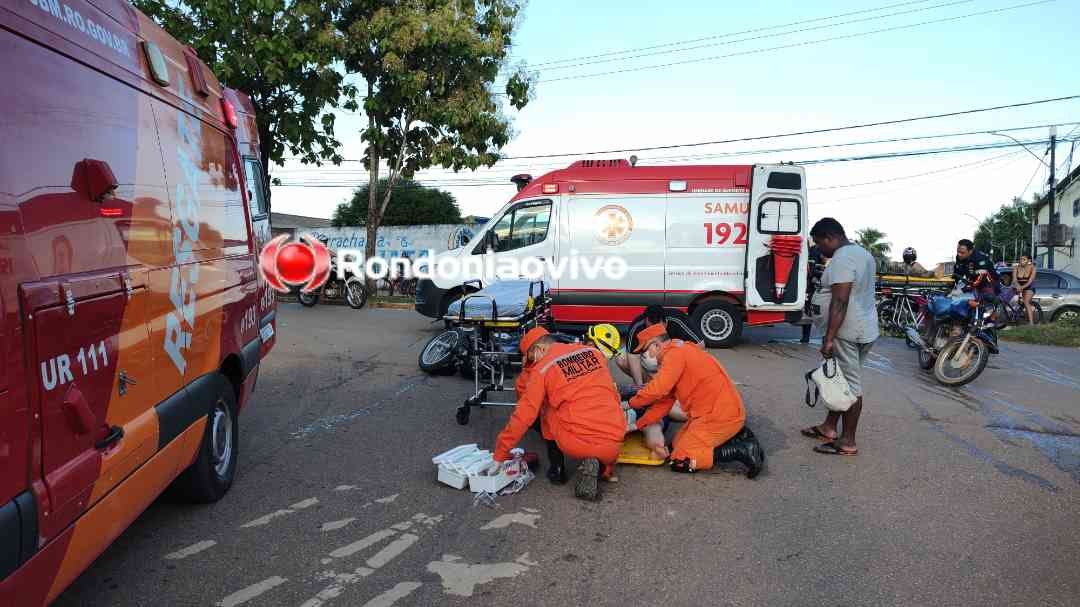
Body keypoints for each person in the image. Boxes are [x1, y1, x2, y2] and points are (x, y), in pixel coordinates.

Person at [493, 327, 626, 501]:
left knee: (546, 409)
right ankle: (602, 467)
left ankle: (557, 469)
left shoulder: (542, 369)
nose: (532, 365)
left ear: (540, 349)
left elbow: (523, 415)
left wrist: (500, 454)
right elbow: (614, 395)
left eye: (531, 359)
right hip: (615, 443)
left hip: (577, 444)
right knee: (604, 396)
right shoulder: (592, 352)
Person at [625, 324, 764, 477]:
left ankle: (742, 450)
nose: (645, 356)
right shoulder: (679, 350)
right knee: (675, 446)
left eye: (645, 351)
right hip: (716, 412)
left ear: (656, 344)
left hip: (718, 416)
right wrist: (636, 425)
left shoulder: (673, 356)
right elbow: (663, 403)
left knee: (680, 460)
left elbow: (657, 390)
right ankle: (736, 434)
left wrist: (628, 404)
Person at [802, 218, 879, 457]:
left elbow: (840, 300)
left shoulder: (843, 258)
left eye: (818, 243)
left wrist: (829, 337)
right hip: (864, 327)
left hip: (847, 331)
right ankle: (828, 427)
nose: (819, 249)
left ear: (829, 238)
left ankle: (847, 441)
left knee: (851, 387)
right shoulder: (862, 253)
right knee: (842, 380)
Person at [617, 304, 702, 384]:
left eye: (657, 329)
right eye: (650, 328)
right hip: (655, 355)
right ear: (646, 320)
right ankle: (649, 384)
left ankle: (672, 385)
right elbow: (633, 355)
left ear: (665, 322)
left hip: (676, 355)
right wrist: (639, 387)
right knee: (622, 359)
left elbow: (700, 345)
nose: (653, 332)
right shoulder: (638, 325)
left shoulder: (678, 319)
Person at [801, 243, 828, 343]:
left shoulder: (815, 249)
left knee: (810, 311)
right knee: (813, 311)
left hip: (812, 285)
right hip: (812, 285)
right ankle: (808, 336)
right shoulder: (817, 249)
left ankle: (806, 337)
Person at [1014, 254, 1037, 324]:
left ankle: (1031, 323)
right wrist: (1018, 286)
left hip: (1029, 287)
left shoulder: (1032, 268)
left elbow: (1030, 280)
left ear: (1028, 260)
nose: (1021, 261)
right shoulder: (1016, 267)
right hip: (1019, 286)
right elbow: (1014, 279)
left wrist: (1022, 287)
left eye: (1024, 259)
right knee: (1009, 297)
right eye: (1020, 259)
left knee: (1026, 302)